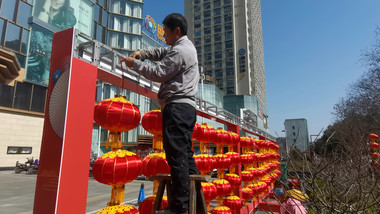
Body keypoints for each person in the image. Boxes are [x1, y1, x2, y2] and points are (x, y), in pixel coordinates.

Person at [120, 13, 199, 214]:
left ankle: (180, 207)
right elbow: (161, 52)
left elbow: (158, 73)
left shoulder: (180, 52)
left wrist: (134, 64)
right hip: (186, 108)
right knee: (185, 154)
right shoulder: (182, 47)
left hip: (177, 108)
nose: (164, 36)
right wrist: (143, 53)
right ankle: (194, 201)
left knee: (176, 156)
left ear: (177, 31)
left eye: (165, 32)